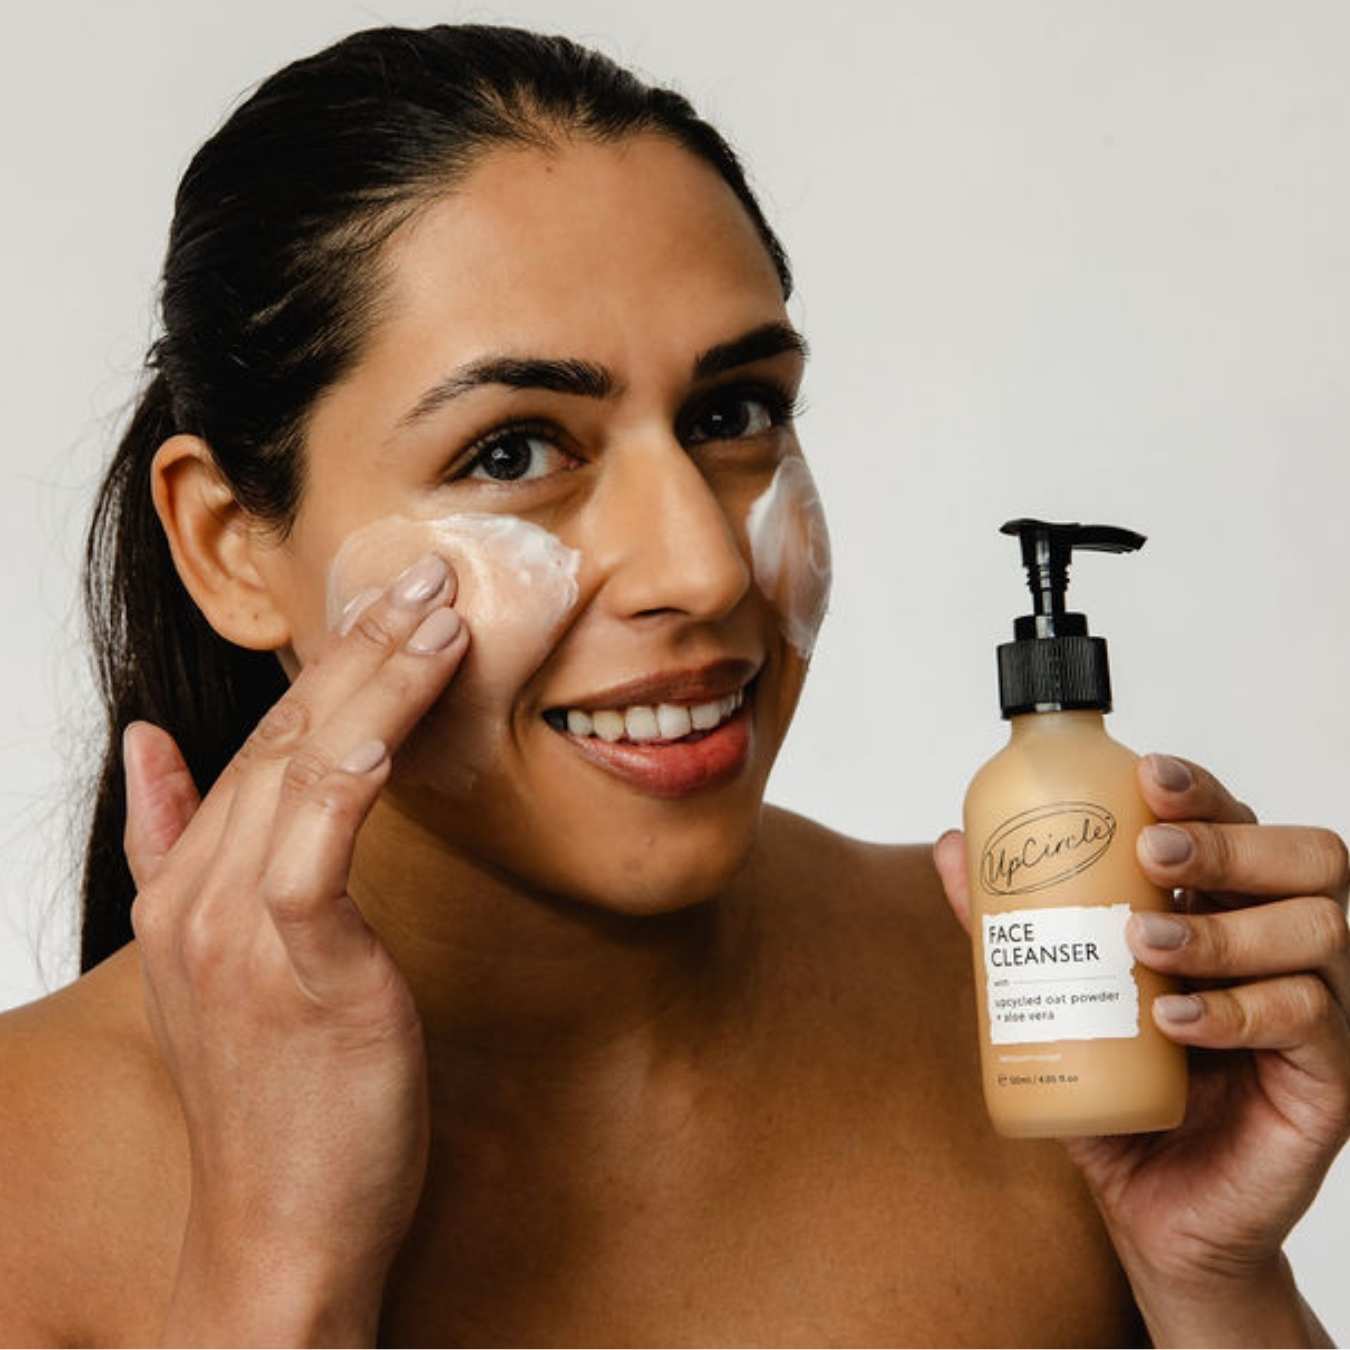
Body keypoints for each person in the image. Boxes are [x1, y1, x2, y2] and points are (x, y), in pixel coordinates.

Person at [1, 23, 1346, 1347]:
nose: (701, 570)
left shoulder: (1037, 1016)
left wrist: (1215, 1283)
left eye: (732, 414)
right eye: (516, 450)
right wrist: (277, 1263)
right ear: (231, 548)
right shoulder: (29, 1177)